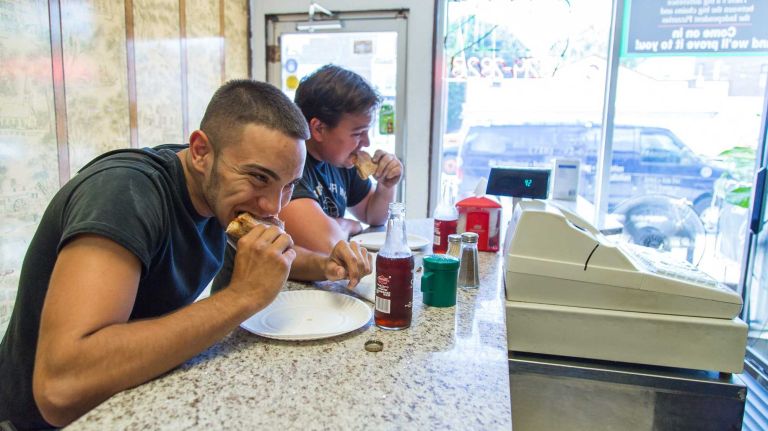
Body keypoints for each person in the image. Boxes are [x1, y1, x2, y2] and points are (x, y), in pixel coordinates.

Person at [0, 80, 371, 429]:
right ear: (200, 152)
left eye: (288, 186)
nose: (273, 205)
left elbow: (262, 261)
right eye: (258, 178)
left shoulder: (221, 197)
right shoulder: (123, 195)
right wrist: (243, 296)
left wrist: (323, 264)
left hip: (139, 398)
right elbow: (59, 388)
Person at [212, 65, 403, 292]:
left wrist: (386, 185)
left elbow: (374, 216)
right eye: (357, 133)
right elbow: (329, 246)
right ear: (319, 128)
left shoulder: (342, 161)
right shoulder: (289, 167)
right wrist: (344, 225)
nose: (367, 143)